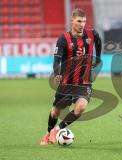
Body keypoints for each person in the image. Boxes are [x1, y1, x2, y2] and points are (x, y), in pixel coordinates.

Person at [40, 8, 102, 145]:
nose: (82, 24)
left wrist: (98, 58)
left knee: (81, 107)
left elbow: (98, 41)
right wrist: (57, 74)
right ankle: (48, 133)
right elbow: (57, 60)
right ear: (72, 20)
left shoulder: (92, 35)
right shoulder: (63, 39)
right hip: (67, 82)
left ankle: (57, 130)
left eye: (84, 21)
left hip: (84, 81)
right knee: (55, 112)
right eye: (79, 21)